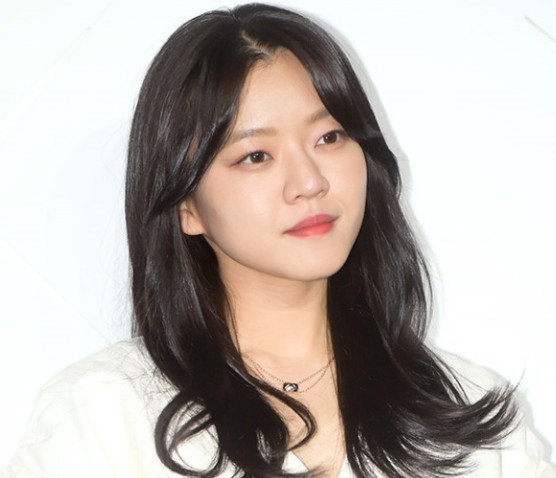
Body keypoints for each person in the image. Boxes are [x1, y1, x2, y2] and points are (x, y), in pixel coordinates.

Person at [1, 3, 554, 477]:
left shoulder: (473, 415)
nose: (309, 182)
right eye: (255, 156)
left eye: (329, 137)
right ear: (187, 205)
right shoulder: (102, 414)